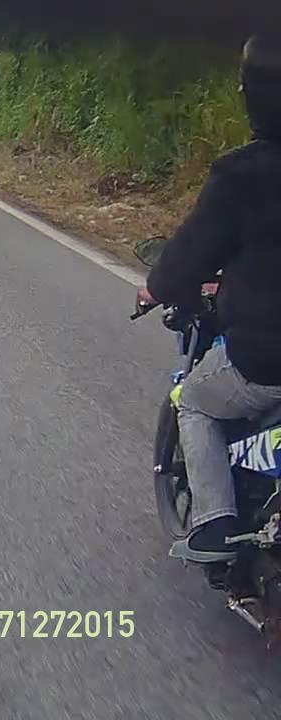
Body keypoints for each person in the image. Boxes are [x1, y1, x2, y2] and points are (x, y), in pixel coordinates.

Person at [140, 31, 281, 563]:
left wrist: (154, 288)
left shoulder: (241, 174)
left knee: (195, 401)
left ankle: (216, 522)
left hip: (265, 357)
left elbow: (193, 250)